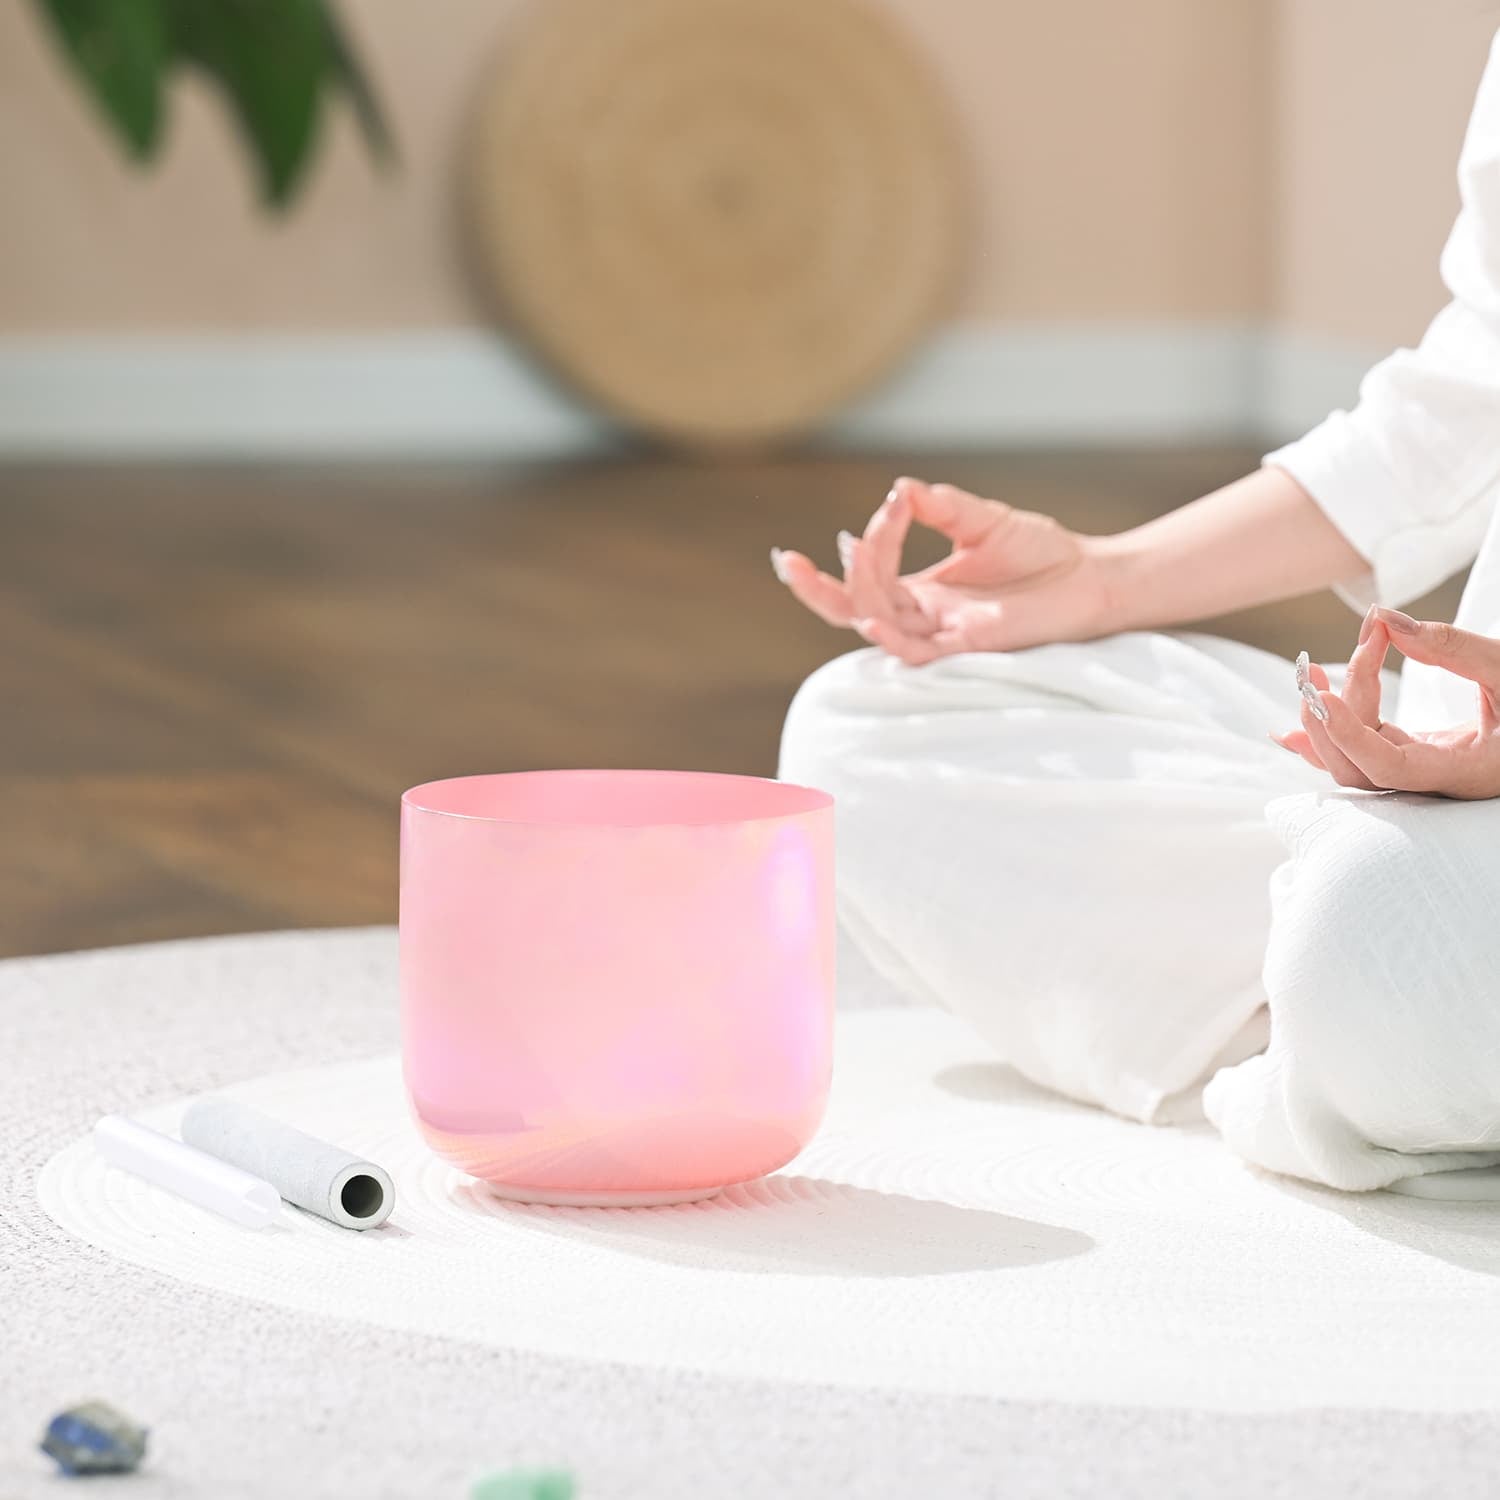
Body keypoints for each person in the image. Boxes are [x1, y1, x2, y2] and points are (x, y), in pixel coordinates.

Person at [769, 29, 1500, 1188]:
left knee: (1368, 923)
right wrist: (1103, 578)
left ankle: (1377, 1009)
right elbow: (1466, 398)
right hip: (1451, 791)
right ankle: (1391, 1021)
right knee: (868, 726)